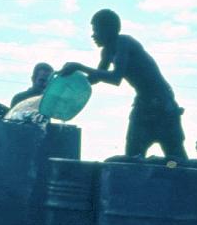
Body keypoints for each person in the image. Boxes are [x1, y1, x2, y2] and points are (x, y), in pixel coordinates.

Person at [60, 9, 187, 161]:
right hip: (144, 105)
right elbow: (95, 78)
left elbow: (115, 78)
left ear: (109, 30)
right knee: (132, 156)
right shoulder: (107, 52)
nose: (93, 35)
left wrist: (79, 66)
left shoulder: (124, 42)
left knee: (175, 158)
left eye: (96, 30)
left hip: (163, 105)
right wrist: (69, 81)